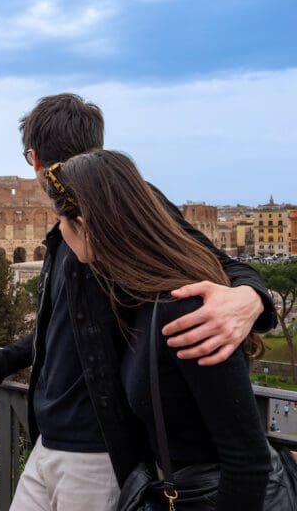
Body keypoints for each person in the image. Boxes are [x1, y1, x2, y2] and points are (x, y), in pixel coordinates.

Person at [0, 94, 276, 511]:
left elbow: (215, 265)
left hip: (99, 449)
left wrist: (250, 298)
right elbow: (60, 328)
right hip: (48, 436)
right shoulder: (71, 227)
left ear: (33, 159)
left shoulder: (125, 211)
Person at [45, 149, 288, 509]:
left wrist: (254, 297)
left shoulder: (182, 307)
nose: (59, 232)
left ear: (84, 223)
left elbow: (246, 462)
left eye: (61, 222)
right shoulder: (135, 294)